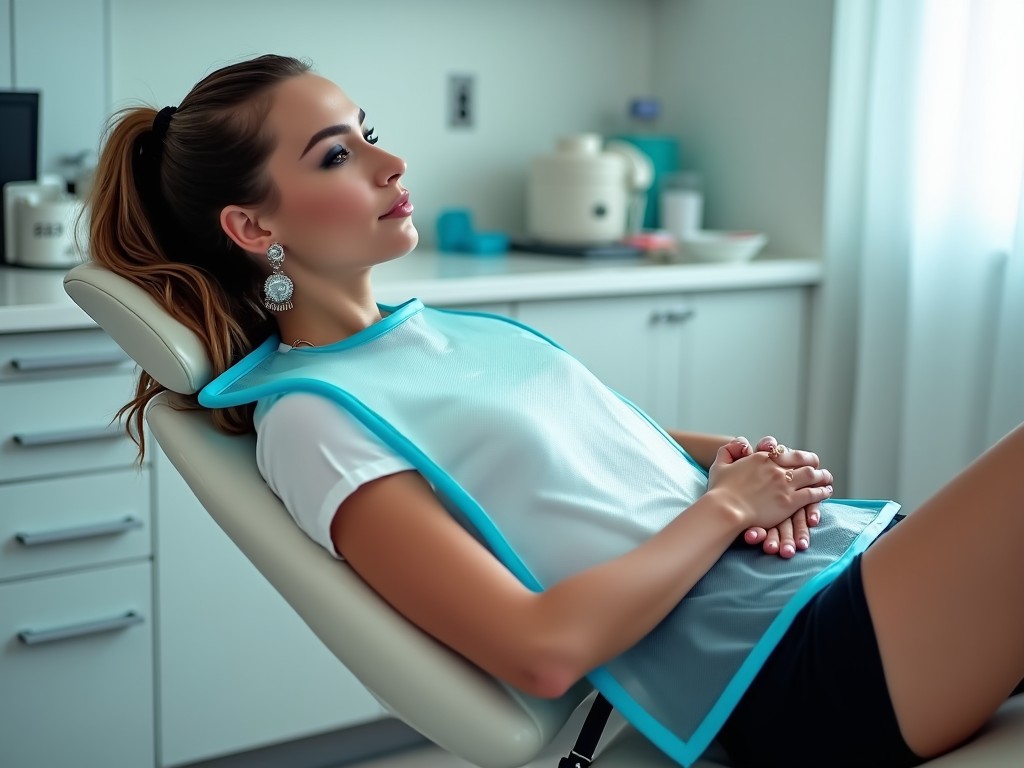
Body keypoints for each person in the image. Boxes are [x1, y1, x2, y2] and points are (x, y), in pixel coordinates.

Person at [85, 54, 1024, 768]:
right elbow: (539, 652)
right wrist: (728, 506)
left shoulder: (435, 332)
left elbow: (614, 450)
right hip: (787, 675)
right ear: (255, 229)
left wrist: (754, 469)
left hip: (812, 589)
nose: (390, 159)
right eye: (339, 154)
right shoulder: (315, 422)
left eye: (367, 129)